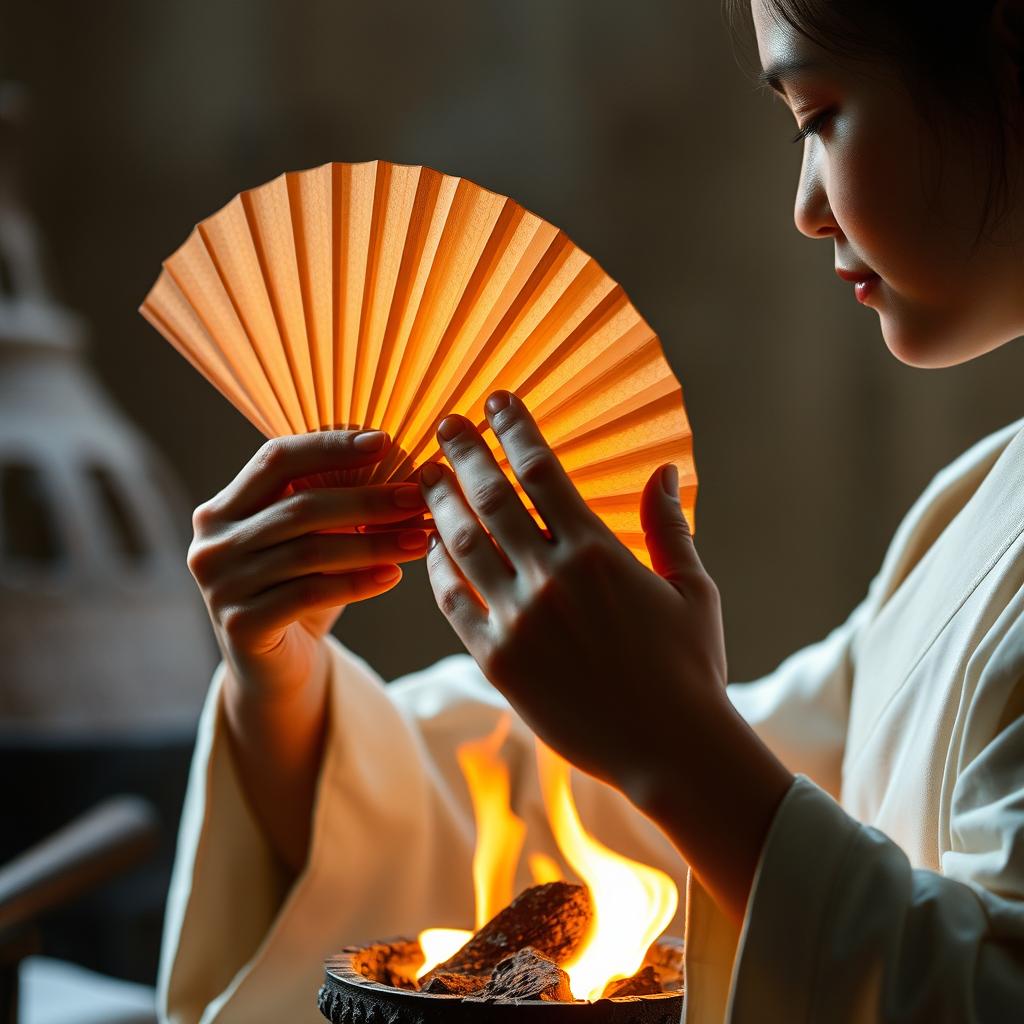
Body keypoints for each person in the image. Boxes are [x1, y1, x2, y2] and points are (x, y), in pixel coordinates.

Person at [158, 1, 1024, 1021]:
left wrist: (677, 743)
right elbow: (767, 789)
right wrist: (287, 693)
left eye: (817, 115)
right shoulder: (975, 498)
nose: (804, 206)